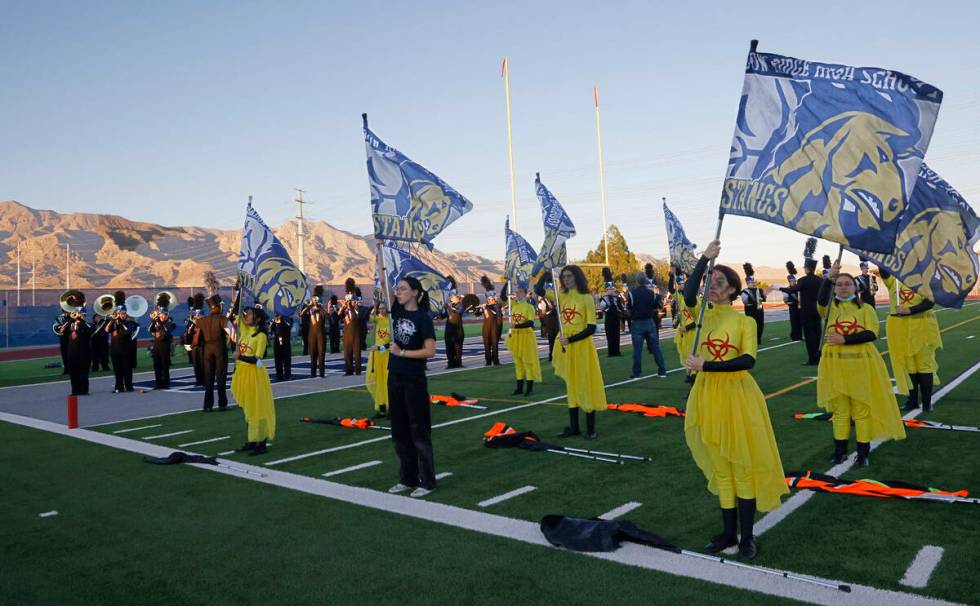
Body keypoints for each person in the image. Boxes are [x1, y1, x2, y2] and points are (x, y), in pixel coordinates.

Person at [683, 240, 787, 561]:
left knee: (742, 469)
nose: (712, 288)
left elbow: (747, 361)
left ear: (732, 290)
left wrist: (706, 366)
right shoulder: (703, 317)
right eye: (710, 283)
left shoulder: (745, 322)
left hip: (738, 396)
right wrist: (704, 260)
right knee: (722, 469)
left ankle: (747, 538)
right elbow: (688, 296)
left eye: (719, 283)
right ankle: (728, 534)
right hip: (707, 396)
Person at [818, 262, 906, 465]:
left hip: (861, 368)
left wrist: (845, 340)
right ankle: (839, 452)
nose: (843, 287)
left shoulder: (866, 309)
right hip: (834, 368)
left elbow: (871, 333)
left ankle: (863, 454)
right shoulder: (830, 309)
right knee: (840, 413)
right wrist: (829, 278)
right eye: (839, 284)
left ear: (855, 287)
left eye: (847, 283)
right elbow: (821, 300)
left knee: (861, 411)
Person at [386, 276, 438, 498]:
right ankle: (407, 478)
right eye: (398, 289)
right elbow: (385, 286)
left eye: (403, 289)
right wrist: (379, 252)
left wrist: (403, 353)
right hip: (394, 376)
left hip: (414, 379)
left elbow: (430, 351)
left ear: (415, 292)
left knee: (419, 431)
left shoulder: (423, 318)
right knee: (399, 432)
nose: (398, 292)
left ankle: (427, 481)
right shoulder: (396, 312)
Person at [552, 265, 606, 440]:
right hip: (566, 348)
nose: (565, 279)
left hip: (582, 347)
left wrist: (571, 339)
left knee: (585, 384)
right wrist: (546, 268)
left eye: (569, 276)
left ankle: (590, 428)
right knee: (571, 386)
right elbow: (539, 290)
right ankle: (574, 427)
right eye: (563, 277)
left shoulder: (586, 298)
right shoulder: (561, 296)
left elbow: (591, 328)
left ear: (577, 277)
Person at [879, 266, 942, 412]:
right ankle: (912, 401)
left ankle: (927, 402)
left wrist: (910, 310)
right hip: (899, 329)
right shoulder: (893, 281)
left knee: (924, 366)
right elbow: (883, 269)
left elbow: (930, 301)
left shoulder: (925, 281)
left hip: (922, 327)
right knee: (908, 367)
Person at [231, 305, 275, 455]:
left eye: (250, 314)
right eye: (247, 314)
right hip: (242, 373)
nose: (246, 316)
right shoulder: (245, 330)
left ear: (258, 319)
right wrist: (239, 293)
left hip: (254, 375)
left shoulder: (261, 336)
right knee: (249, 410)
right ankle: (252, 440)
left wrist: (240, 357)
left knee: (258, 409)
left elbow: (258, 360)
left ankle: (261, 443)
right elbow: (236, 312)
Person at [628, 269, 668, 379]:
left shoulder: (631, 294)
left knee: (637, 350)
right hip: (649, 322)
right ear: (645, 281)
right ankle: (662, 370)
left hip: (637, 323)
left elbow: (629, 308)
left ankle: (637, 373)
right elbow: (657, 306)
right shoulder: (652, 294)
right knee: (655, 348)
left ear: (637, 281)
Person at [192, 295, 229, 411]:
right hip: (219, 348)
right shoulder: (223, 319)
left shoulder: (201, 321)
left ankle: (207, 405)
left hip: (207, 349)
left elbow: (196, 339)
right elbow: (233, 336)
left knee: (208, 377)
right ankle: (222, 404)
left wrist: (193, 346)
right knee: (221, 377)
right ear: (217, 307)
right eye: (221, 306)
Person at [504, 283, 542, 396]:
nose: (518, 293)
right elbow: (502, 297)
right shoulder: (514, 304)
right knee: (518, 363)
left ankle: (529, 389)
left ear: (526, 294)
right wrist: (507, 282)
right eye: (517, 291)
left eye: (521, 291)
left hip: (526, 337)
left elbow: (530, 323)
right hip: (516, 337)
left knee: (528, 363)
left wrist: (516, 326)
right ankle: (519, 388)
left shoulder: (529, 307)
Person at [783, 257, 822, 365]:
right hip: (818, 311)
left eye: (805, 267)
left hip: (806, 312)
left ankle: (812, 359)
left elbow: (792, 290)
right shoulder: (820, 280)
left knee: (809, 336)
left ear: (808, 269)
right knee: (818, 334)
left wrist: (779, 288)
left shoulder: (803, 280)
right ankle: (820, 356)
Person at [670, 270, 697, 383]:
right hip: (684, 334)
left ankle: (694, 379)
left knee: (694, 357)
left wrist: (686, 328)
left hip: (693, 333)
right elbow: (672, 290)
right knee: (686, 357)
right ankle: (691, 378)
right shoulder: (682, 298)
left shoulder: (697, 302)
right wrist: (671, 276)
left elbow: (698, 320)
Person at [107, 298, 139, 394]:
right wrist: (112, 320)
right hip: (115, 350)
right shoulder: (113, 323)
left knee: (127, 370)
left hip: (126, 350)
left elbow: (126, 332)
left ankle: (129, 386)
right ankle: (119, 387)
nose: (121, 315)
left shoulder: (130, 323)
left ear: (126, 314)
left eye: (123, 313)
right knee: (117, 370)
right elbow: (106, 330)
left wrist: (120, 322)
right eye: (119, 313)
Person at [366, 301, 391, 417]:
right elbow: (365, 316)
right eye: (380, 309)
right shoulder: (377, 319)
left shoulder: (391, 321)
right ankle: (380, 407)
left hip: (387, 355)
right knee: (378, 381)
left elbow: (392, 342)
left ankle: (390, 407)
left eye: (383, 308)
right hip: (376, 355)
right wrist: (374, 306)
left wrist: (381, 347)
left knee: (388, 382)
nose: (381, 310)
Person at [59, 307, 91, 396]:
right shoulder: (70, 324)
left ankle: (84, 390)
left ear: (84, 315)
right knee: (73, 373)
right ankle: (75, 391)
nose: (79, 315)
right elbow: (61, 331)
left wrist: (80, 321)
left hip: (84, 353)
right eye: (78, 313)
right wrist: (70, 320)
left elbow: (86, 331)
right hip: (72, 353)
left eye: (81, 314)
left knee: (83, 374)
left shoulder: (87, 324)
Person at [302, 286, 328, 377]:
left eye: (316, 300)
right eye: (314, 300)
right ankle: (313, 373)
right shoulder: (309, 310)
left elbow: (326, 315)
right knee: (313, 354)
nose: (315, 302)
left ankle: (321, 373)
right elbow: (301, 314)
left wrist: (320, 307)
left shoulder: (321, 311)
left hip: (321, 334)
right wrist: (309, 306)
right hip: (312, 335)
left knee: (321, 354)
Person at [597, 268, 623, 357]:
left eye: (612, 289)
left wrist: (621, 311)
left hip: (616, 319)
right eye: (609, 289)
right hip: (609, 319)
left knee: (617, 335)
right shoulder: (604, 298)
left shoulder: (617, 297)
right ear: (606, 290)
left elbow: (620, 308)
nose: (611, 290)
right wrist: (612, 308)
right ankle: (611, 352)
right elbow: (604, 309)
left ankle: (617, 351)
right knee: (610, 336)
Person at [149, 306, 175, 389]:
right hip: (157, 345)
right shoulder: (157, 322)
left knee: (164, 365)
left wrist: (159, 322)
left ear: (167, 315)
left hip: (165, 345)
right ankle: (158, 384)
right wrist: (154, 321)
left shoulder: (170, 323)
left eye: (163, 314)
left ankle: (166, 384)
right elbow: (150, 330)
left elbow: (166, 333)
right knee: (157, 365)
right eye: (160, 314)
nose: (161, 316)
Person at [534, 273, 559, 361]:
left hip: (553, 316)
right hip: (551, 317)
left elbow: (542, 310)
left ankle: (552, 355)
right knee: (553, 338)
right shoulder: (554, 291)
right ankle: (552, 355)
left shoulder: (555, 291)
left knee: (553, 338)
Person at [740, 263, 766, 345]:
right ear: (747, 282)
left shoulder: (760, 289)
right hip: (750, 310)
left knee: (760, 325)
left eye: (752, 281)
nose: (752, 283)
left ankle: (758, 339)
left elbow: (764, 298)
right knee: (751, 326)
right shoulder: (744, 291)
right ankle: (752, 340)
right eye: (750, 282)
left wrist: (763, 294)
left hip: (760, 310)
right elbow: (745, 301)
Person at [478, 275, 501, 366]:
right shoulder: (485, 306)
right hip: (486, 328)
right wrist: (479, 308)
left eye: (492, 298)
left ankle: (496, 360)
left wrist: (490, 307)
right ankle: (488, 361)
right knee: (486, 345)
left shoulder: (496, 308)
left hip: (494, 327)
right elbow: (477, 313)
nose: (490, 299)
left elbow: (498, 317)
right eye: (489, 298)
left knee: (495, 344)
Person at [444, 277, 465, 369]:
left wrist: (447, 307)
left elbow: (458, 311)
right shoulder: (447, 297)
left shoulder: (458, 301)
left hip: (457, 326)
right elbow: (445, 314)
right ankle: (450, 363)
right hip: (449, 324)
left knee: (457, 345)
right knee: (449, 345)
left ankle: (458, 363)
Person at [781, 263, 802, 342]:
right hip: (792, 306)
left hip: (799, 306)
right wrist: (790, 303)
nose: (794, 282)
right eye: (792, 281)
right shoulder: (787, 289)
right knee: (794, 321)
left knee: (800, 321)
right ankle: (794, 336)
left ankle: (799, 335)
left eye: (794, 281)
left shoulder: (798, 288)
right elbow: (785, 299)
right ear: (789, 281)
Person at [270, 311, 293, 381]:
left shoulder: (288, 319)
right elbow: (271, 329)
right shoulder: (275, 319)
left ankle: (287, 375)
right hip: (277, 341)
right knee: (277, 360)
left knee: (287, 360)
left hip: (285, 341)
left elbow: (288, 326)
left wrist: (282, 319)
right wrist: (273, 322)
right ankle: (279, 376)